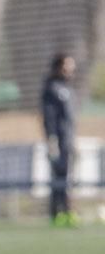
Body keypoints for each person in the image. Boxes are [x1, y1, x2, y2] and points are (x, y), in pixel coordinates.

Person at [41, 53, 77, 226]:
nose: (69, 71)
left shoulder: (68, 89)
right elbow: (49, 117)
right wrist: (52, 138)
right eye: (66, 67)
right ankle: (57, 213)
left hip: (68, 140)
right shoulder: (51, 88)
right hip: (58, 140)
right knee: (58, 175)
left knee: (67, 176)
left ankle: (67, 211)